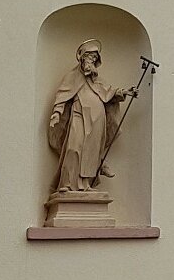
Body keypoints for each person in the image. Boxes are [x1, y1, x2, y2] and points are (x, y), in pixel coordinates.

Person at [48, 42, 134, 194]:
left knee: (91, 152)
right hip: (79, 115)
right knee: (73, 148)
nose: (92, 60)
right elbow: (62, 95)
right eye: (90, 56)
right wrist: (57, 113)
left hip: (97, 118)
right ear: (82, 57)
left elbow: (109, 93)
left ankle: (86, 184)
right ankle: (67, 183)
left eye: (95, 58)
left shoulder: (97, 80)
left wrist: (125, 92)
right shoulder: (72, 77)